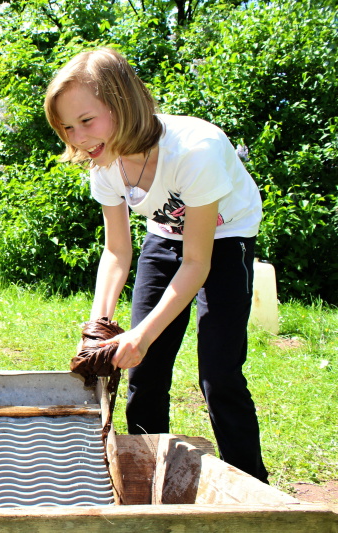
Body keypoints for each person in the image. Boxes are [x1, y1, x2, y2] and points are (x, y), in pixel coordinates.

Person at [43, 47, 269, 482]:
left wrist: (142, 334)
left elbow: (197, 262)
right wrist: (98, 328)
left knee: (219, 375)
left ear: (123, 103)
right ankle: (146, 479)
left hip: (226, 239)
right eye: (68, 128)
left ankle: (255, 488)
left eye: (86, 121)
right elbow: (117, 251)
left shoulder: (195, 151)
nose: (79, 139)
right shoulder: (104, 162)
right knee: (143, 371)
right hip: (165, 235)